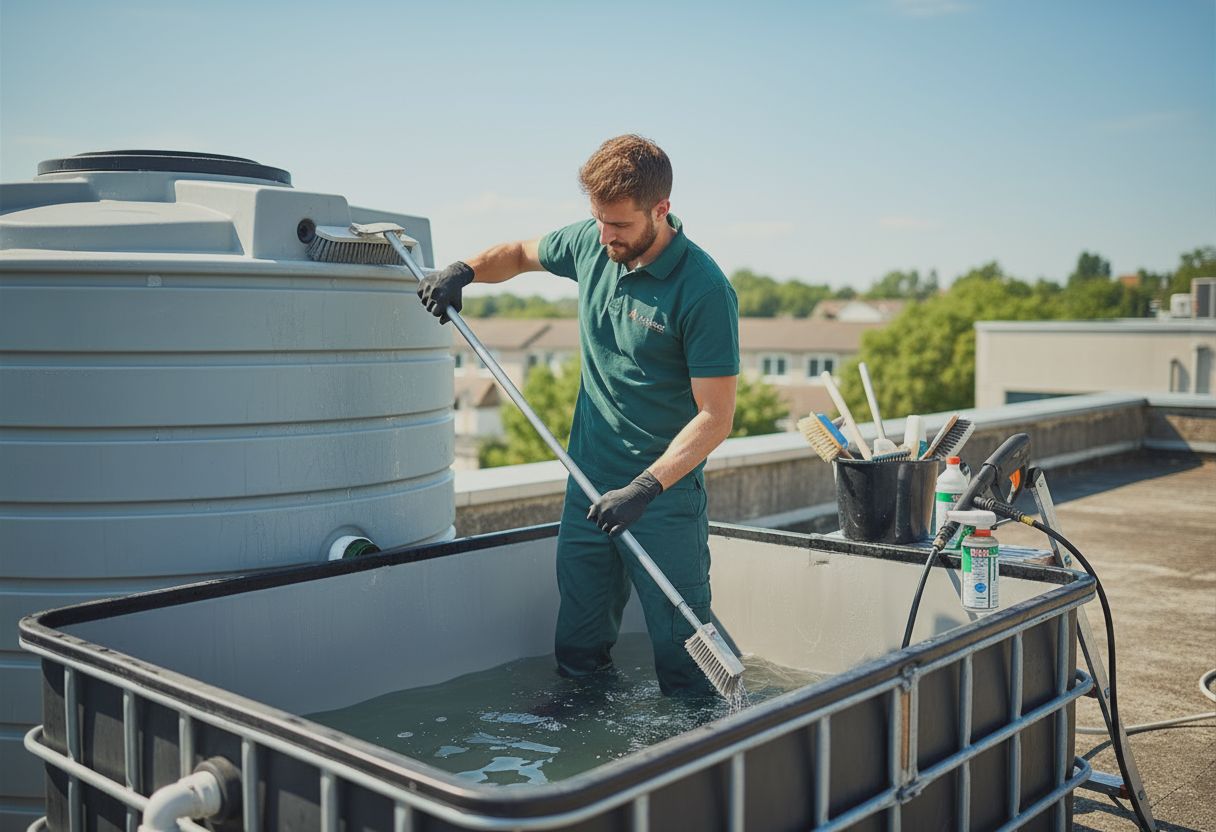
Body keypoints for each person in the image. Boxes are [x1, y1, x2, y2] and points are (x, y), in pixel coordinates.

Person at [418, 135, 740, 696]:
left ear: (660, 210)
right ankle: (585, 738)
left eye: (618, 225)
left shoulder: (705, 291)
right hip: (588, 482)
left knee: (683, 655)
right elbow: (518, 253)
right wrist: (463, 270)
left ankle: (693, 751)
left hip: (660, 496)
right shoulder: (592, 244)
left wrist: (645, 487)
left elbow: (716, 417)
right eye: (597, 220)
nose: (604, 236)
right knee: (579, 642)